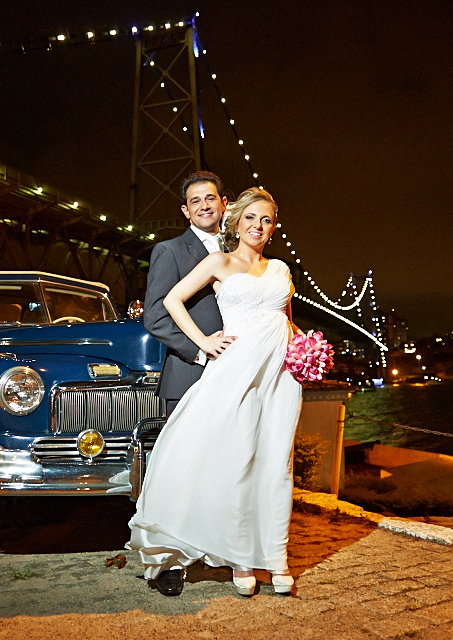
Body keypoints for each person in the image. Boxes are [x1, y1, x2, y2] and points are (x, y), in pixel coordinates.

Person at [129, 187, 303, 598]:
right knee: (235, 461)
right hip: (234, 370)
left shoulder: (280, 268)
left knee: (276, 462)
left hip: (279, 376)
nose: (259, 227)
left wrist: (306, 349)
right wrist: (202, 342)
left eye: (267, 221)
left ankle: (275, 556)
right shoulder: (215, 260)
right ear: (236, 220)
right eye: (251, 219)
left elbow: (286, 321)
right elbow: (168, 302)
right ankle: (237, 557)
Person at [143, 171, 232, 417]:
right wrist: (202, 349)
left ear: (223, 203)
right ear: (185, 211)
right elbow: (155, 317)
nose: (204, 206)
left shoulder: (237, 251)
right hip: (190, 376)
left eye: (210, 199)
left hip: (234, 375)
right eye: (195, 201)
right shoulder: (169, 250)